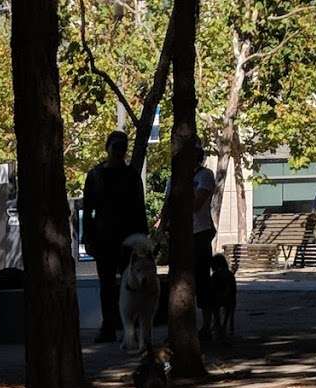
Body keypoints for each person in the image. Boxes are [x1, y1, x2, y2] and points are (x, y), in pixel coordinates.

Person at [82, 131, 146, 342]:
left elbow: (139, 209)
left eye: (122, 147)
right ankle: (108, 326)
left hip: (127, 239)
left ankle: (131, 326)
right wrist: (88, 238)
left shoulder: (131, 176)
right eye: (115, 146)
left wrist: (142, 240)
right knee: (106, 285)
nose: (119, 151)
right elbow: (88, 210)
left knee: (131, 285)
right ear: (107, 147)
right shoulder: (95, 175)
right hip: (104, 238)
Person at [160, 143, 217, 339]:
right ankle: (180, 327)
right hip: (178, 235)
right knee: (178, 281)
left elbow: (198, 203)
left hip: (199, 233)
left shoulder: (205, 175)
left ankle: (207, 326)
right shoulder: (173, 178)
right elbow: (167, 203)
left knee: (202, 280)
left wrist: (180, 201)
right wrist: (162, 227)